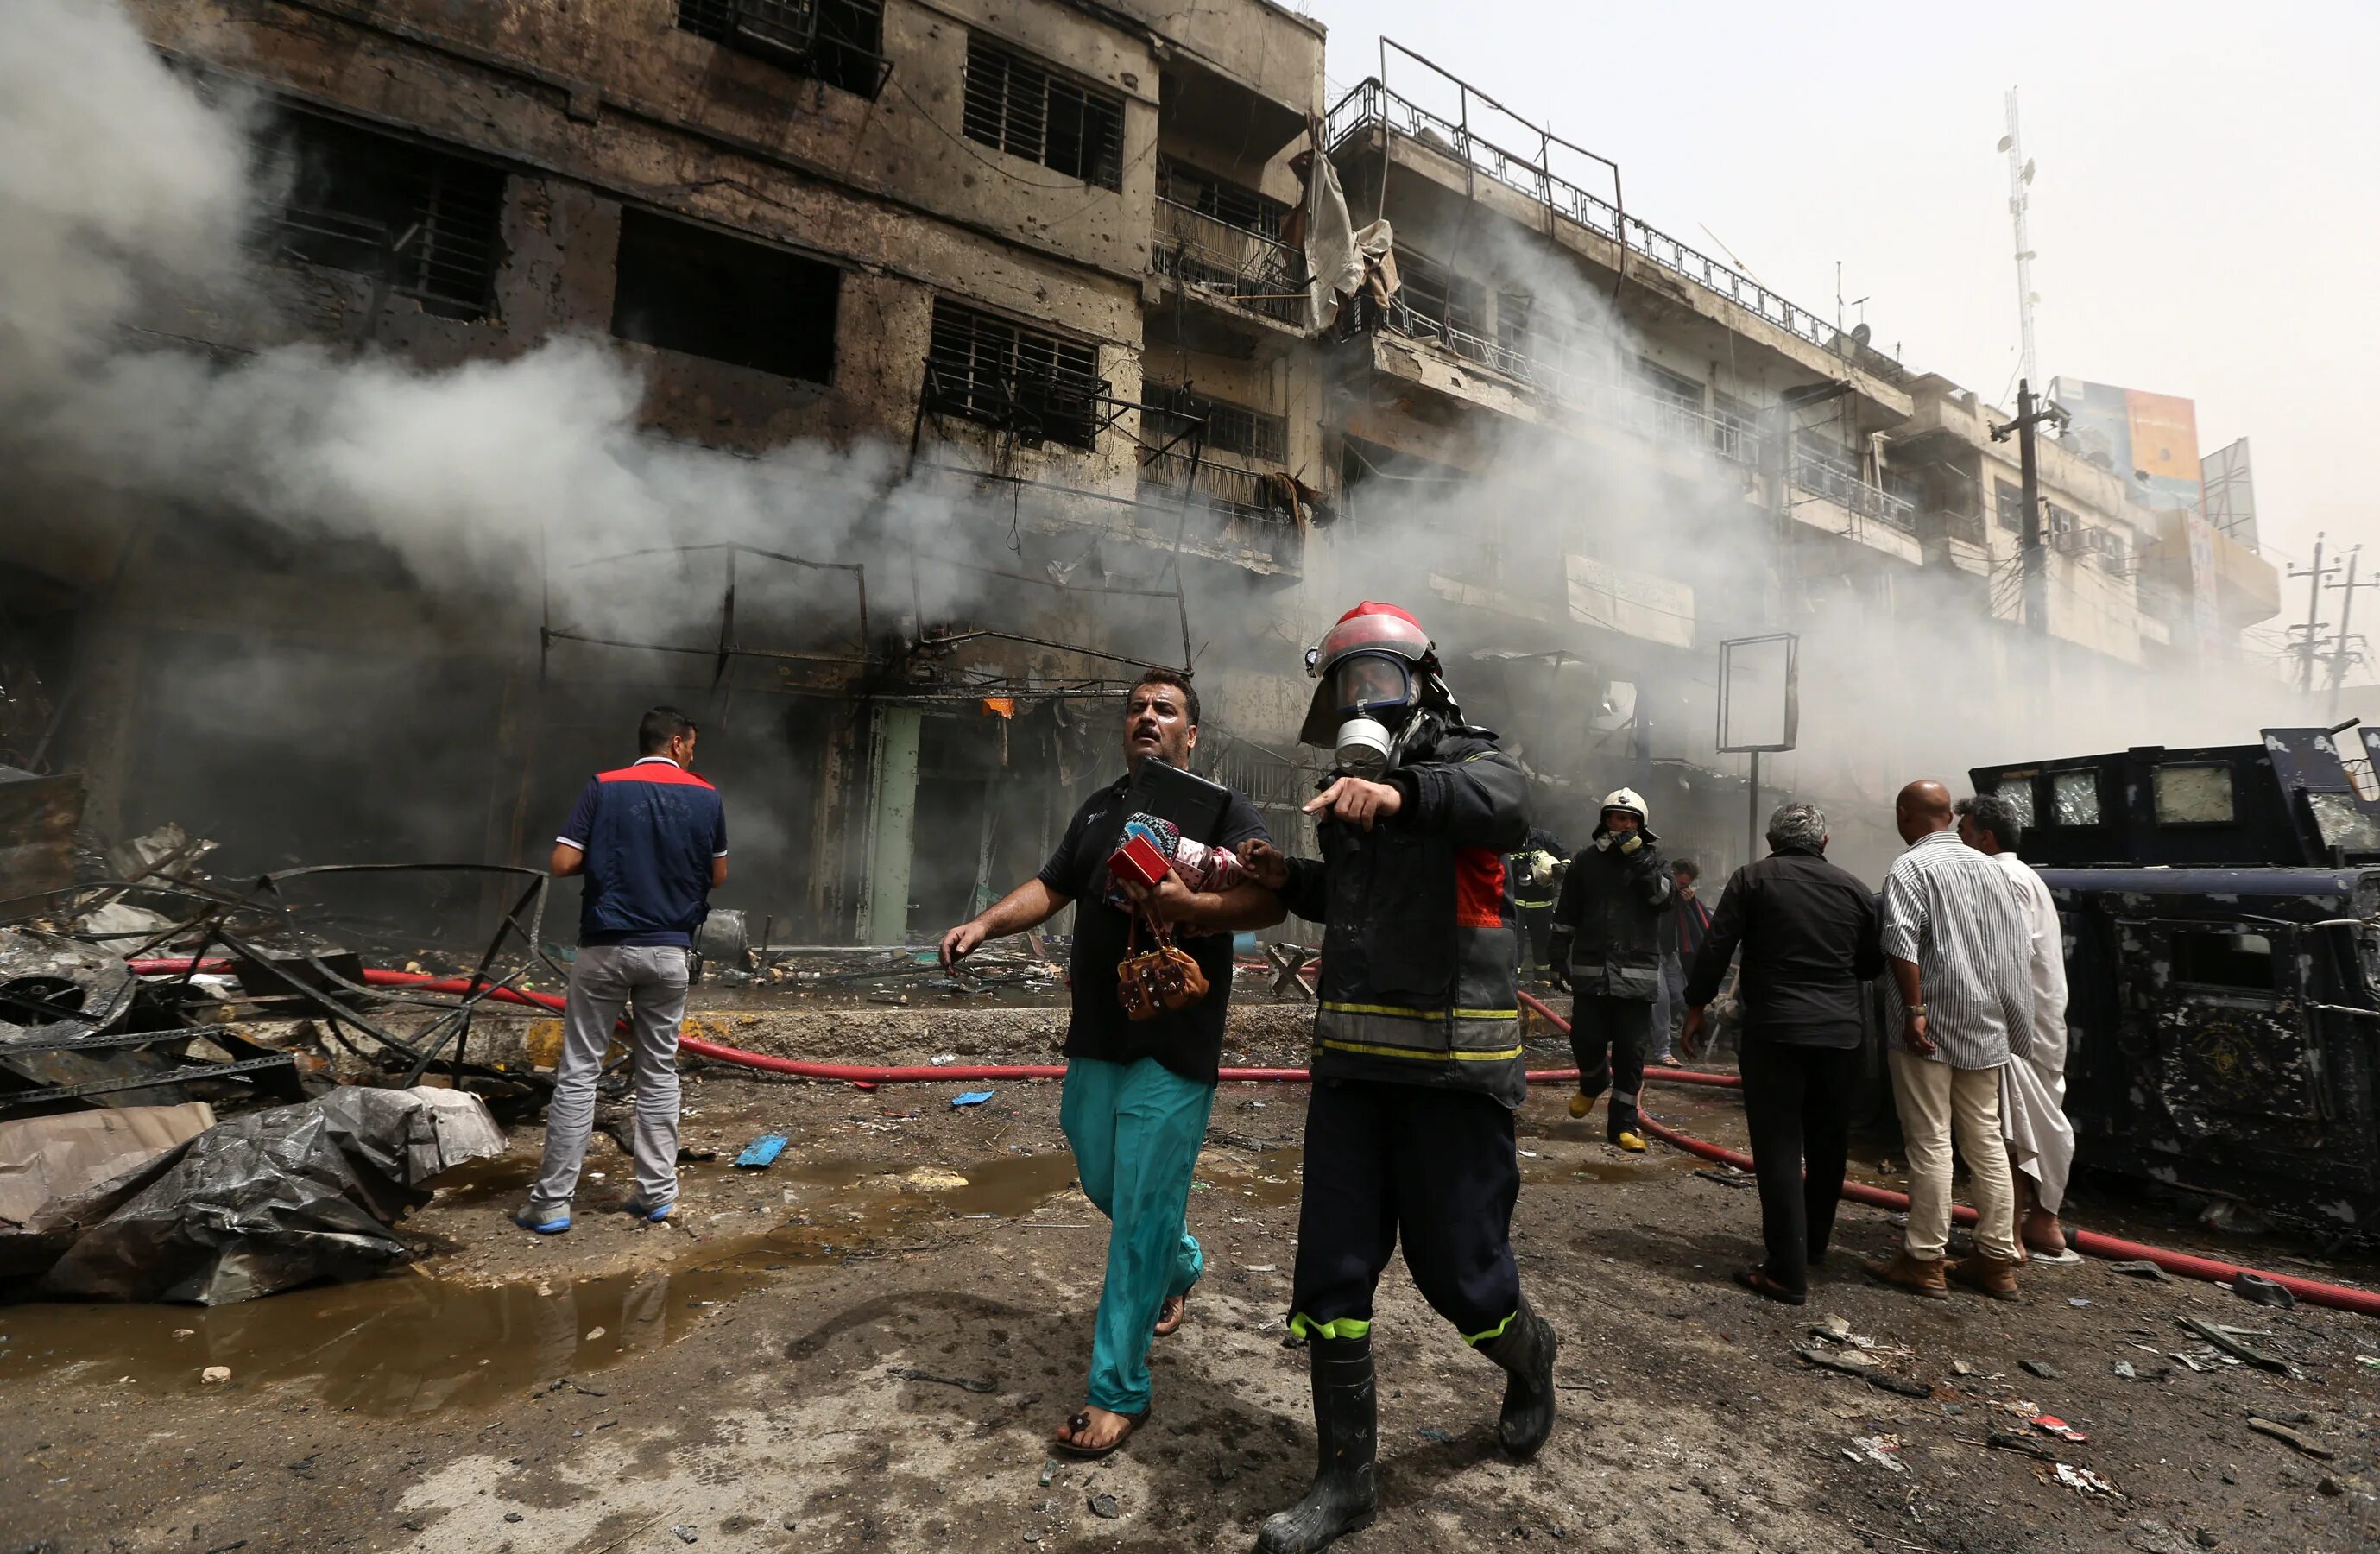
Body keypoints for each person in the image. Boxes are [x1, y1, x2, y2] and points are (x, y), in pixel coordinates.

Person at [1232, 602, 1554, 1554]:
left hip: (1453, 1077)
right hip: (1353, 1074)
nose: (1361, 702)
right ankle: (1346, 1484)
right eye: (1346, 686)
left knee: (1464, 1280)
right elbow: (1352, 899)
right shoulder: (1349, 788)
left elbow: (1506, 805)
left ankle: (1531, 1359)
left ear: (1425, 686)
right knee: (1330, 1277)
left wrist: (1405, 795)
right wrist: (1287, 875)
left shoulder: (1475, 763)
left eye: (1379, 680)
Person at [939, 669, 1277, 1460]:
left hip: (1177, 1040)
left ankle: (1118, 1389)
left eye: (1165, 710)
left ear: (1192, 734)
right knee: (1101, 1176)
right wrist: (985, 923)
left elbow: (1267, 902)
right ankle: (1181, 1261)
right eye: (1136, 709)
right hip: (1098, 1032)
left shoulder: (1223, 811)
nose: (1147, 719)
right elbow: (1053, 885)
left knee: (1141, 1215)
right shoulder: (1098, 810)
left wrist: (1188, 904)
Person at [517, 706, 727, 1235]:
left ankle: (552, 1205)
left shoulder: (604, 787)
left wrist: (617, 854)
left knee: (579, 1072)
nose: (694, 754)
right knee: (658, 1072)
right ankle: (656, 1195)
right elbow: (718, 876)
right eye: (693, 745)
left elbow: (563, 863)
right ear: (677, 743)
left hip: (605, 950)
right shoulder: (706, 795)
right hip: (669, 953)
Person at [1682, 804, 1882, 1304]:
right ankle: (1813, 1247)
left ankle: (1786, 1271)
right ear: (1825, 842)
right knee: (1829, 1143)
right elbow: (1870, 964)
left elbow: (1716, 947)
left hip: (1775, 1032)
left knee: (1778, 1147)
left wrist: (1695, 1007)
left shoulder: (1753, 879)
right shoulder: (1856, 889)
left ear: (1772, 841)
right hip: (1840, 1035)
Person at [1867, 780, 2034, 1302]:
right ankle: (1996, 1261)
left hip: (1930, 1024)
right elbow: (2013, 953)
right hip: (1985, 1023)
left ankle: (1924, 1259)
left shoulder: (1910, 867)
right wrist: (2011, 1019)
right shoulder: (1991, 869)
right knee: (1985, 1139)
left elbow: (1901, 942)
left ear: (1905, 814)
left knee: (1931, 1139)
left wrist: (1914, 1010)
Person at [1956, 793, 2079, 1263]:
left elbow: (2003, 954)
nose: (1960, 843)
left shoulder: (1999, 877)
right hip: (2042, 1022)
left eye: (1965, 834)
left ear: (1986, 838)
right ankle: (2043, 1225)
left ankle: (2010, 1238)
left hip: (2013, 1025)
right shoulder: (2029, 877)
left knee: (2009, 1132)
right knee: (2035, 1124)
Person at [1547, 788, 1672, 1151]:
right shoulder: (1586, 861)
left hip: (1636, 976)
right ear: (1606, 821)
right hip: (1591, 971)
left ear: (1642, 826)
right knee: (1584, 1038)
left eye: (1633, 820)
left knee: (1631, 1054)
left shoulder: (1654, 860)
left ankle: (1623, 1127)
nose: (1626, 825)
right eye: (1620, 818)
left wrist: (1640, 860)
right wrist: (1557, 957)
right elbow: (1567, 912)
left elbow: (1663, 900)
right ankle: (1592, 1081)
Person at [1649, 859, 1712, 1067]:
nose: (1682, 889)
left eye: (1686, 886)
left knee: (1678, 996)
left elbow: (1702, 922)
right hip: (1650, 951)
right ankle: (1662, 1050)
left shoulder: (1681, 897)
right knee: (1662, 999)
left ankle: (1653, 1030)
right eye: (1680, 884)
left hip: (1669, 951)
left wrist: (1690, 903)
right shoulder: (1657, 891)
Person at [1506, 828, 1567, 982]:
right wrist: (1515, 870)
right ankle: (1515, 980)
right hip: (1516, 900)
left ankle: (1543, 978)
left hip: (1542, 900)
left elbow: (1566, 855)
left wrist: (1562, 868)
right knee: (1514, 942)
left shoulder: (1544, 838)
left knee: (1543, 941)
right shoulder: (1508, 837)